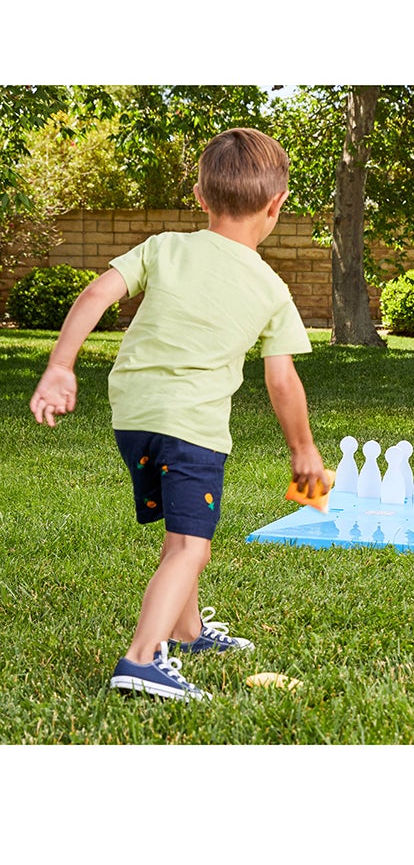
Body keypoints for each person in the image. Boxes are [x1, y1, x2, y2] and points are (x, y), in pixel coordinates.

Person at [30, 127, 329, 701]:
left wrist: (60, 366)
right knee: (193, 545)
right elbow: (281, 379)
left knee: (178, 533)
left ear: (200, 196)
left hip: (134, 415)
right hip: (192, 427)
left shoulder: (163, 246)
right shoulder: (271, 288)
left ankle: (188, 630)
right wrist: (302, 450)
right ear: (277, 204)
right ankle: (143, 658)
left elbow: (95, 294)